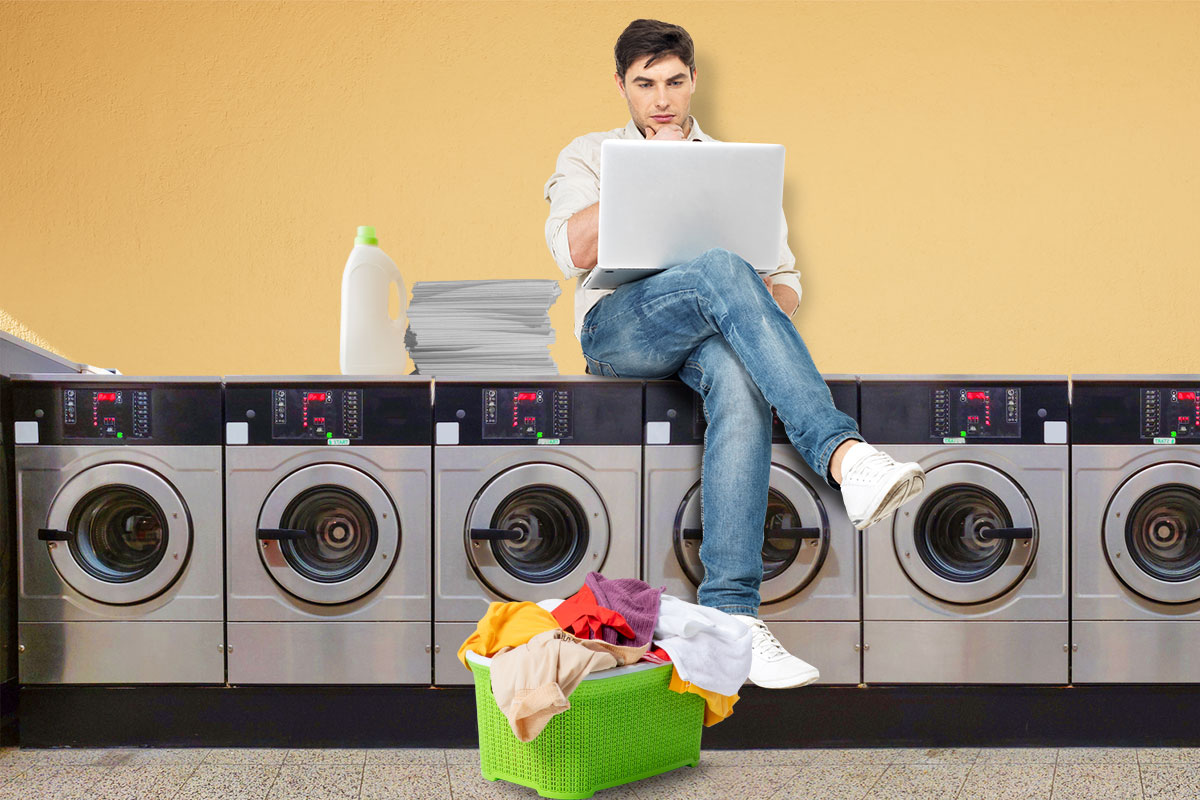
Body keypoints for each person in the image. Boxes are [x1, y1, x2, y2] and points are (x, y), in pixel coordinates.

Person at [543, 18, 926, 689]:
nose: (661, 98)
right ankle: (846, 455)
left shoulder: (733, 169)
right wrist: (657, 173)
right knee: (721, 266)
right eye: (645, 84)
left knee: (738, 370)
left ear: (694, 80)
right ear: (621, 87)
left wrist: (744, 301)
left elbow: (783, 286)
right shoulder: (590, 154)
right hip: (620, 330)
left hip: (709, 342)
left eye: (674, 81)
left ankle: (731, 621)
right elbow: (575, 250)